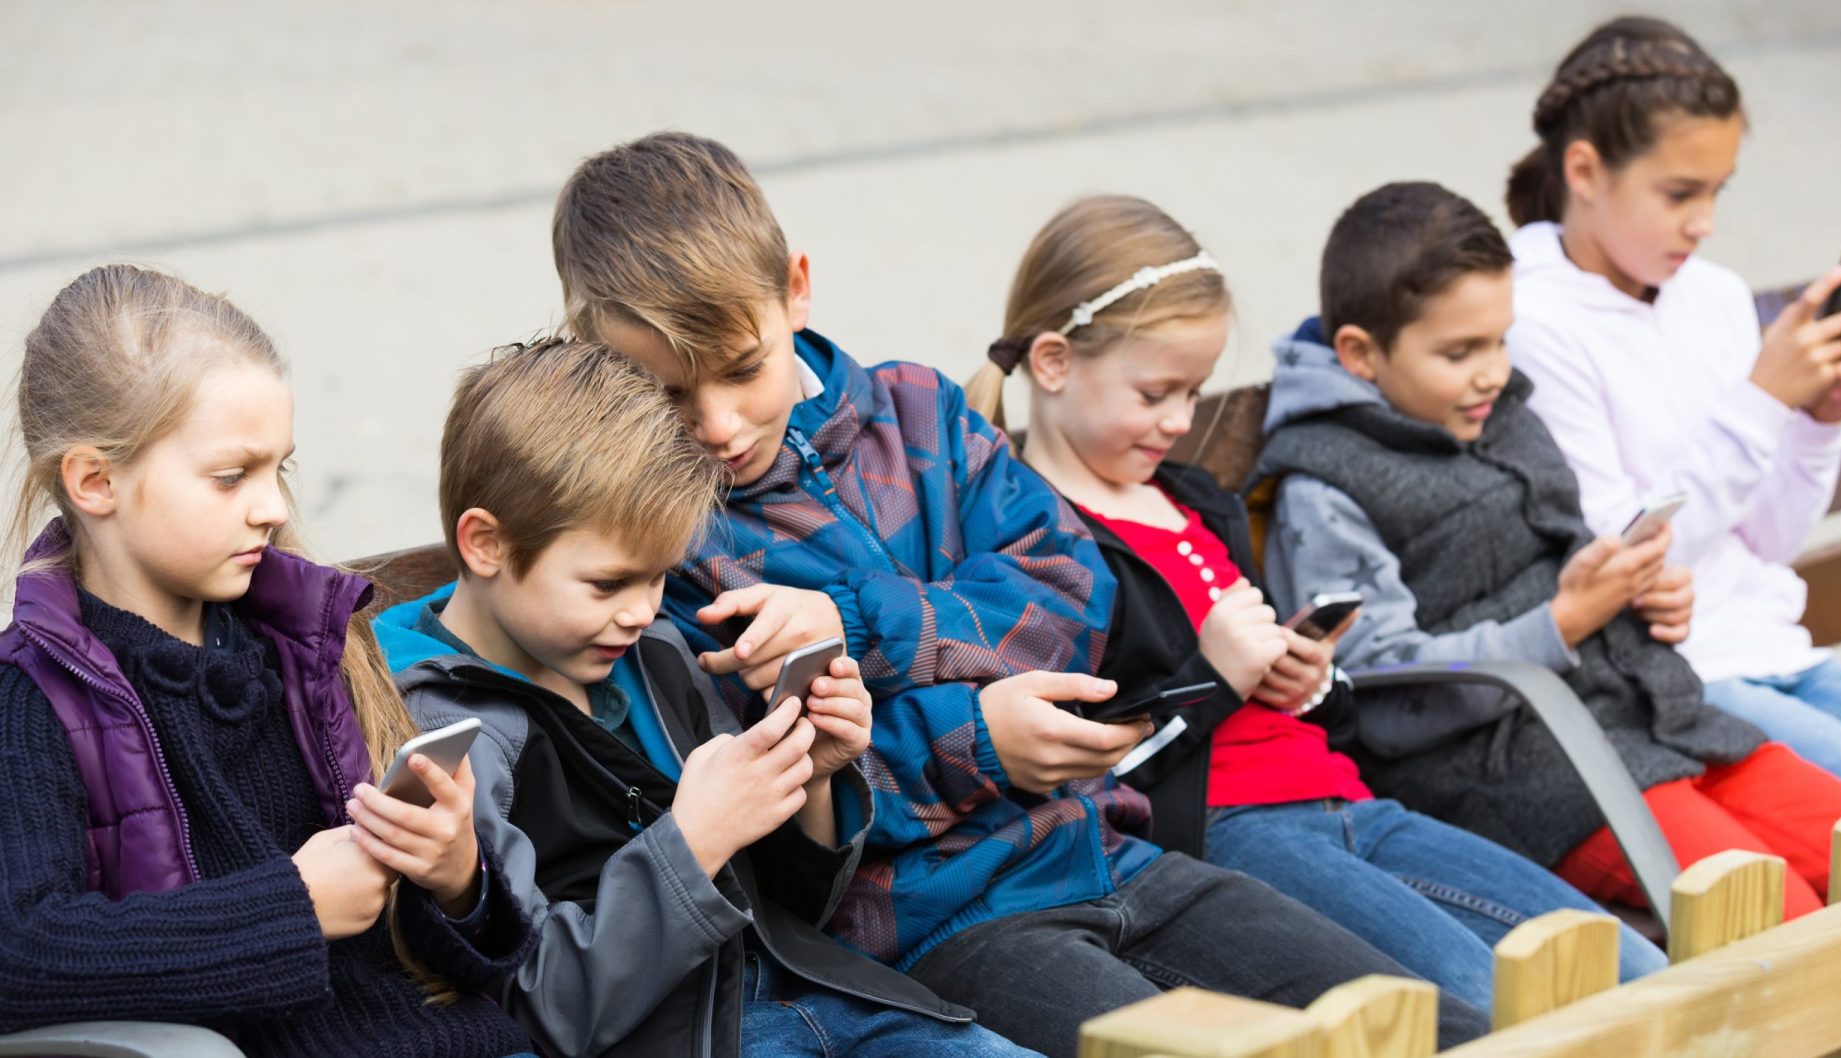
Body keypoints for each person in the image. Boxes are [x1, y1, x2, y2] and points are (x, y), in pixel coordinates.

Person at [548, 131, 1489, 1056]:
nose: (715, 425)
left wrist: (865, 631)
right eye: (666, 392)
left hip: (1111, 852)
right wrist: (981, 741)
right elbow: (776, 799)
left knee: (1429, 1029)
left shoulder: (918, 407)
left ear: (796, 289)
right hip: (934, 927)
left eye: (743, 369)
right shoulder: (652, 539)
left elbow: (1072, 598)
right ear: (592, 354)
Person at [980, 193, 1667, 1009]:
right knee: (1475, 1001)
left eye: (1194, 394)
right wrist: (1213, 676)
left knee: (1627, 967)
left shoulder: (1197, 502)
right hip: (1232, 836)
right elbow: (1084, 775)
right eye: (1156, 392)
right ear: (1054, 365)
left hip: (1351, 800)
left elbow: (1328, 713)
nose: (1178, 420)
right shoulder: (1033, 538)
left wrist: (1310, 680)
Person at [373, 336, 1038, 1057]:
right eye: (609, 584)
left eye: (658, 577)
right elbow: (546, 1002)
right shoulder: (442, 728)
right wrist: (695, 840)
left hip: (813, 998)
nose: (641, 609)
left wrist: (811, 778)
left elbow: (790, 909)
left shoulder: (648, 650)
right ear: (485, 545)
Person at [1253, 182, 1841, 921]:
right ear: (1359, 353)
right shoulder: (1324, 486)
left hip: (1657, 720)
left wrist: (1635, 593)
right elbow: (1382, 684)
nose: (1493, 371)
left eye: (1501, 339)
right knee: (1773, 910)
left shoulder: (1499, 413)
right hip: (1527, 775)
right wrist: (1565, 621)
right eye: (1460, 351)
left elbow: (1560, 555)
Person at [0, 265, 536, 1057]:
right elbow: (22, 954)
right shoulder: (34, 697)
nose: (274, 507)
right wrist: (293, 907)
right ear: (95, 480)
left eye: (277, 468)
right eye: (231, 476)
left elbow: (428, 959)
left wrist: (458, 876)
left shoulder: (307, 643)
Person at [1501, 15, 1841, 798]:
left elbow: (1768, 539)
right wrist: (1764, 402)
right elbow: (1622, 563)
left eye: (1717, 190)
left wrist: (1817, 423)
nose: (1705, 221)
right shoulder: (1531, 325)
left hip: (1780, 650)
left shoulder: (1715, 296)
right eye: (1679, 193)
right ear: (1585, 170)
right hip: (1682, 685)